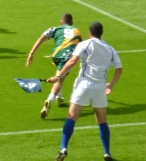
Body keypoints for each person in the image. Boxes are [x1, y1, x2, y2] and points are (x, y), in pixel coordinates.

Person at [47, 21, 123, 161]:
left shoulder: (84, 44)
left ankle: (63, 148)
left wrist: (58, 76)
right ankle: (107, 153)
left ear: (89, 32)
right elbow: (119, 69)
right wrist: (111, 85)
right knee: (102, 120)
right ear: (102, 33)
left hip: (83, 85)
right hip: (100, 87)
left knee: (72, 117)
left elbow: (71, 62)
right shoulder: (110, 49)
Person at [26, 13, 82, 119]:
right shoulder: (77, 31)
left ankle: (59, 98)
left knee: (59, 74)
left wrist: (31, 53)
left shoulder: (55, 29)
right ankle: (50, 99)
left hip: (56, 55)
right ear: (72, 23)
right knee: (59, 79)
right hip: (67, 57)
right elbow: (82, 48)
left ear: (61, 21)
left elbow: (41, 38)